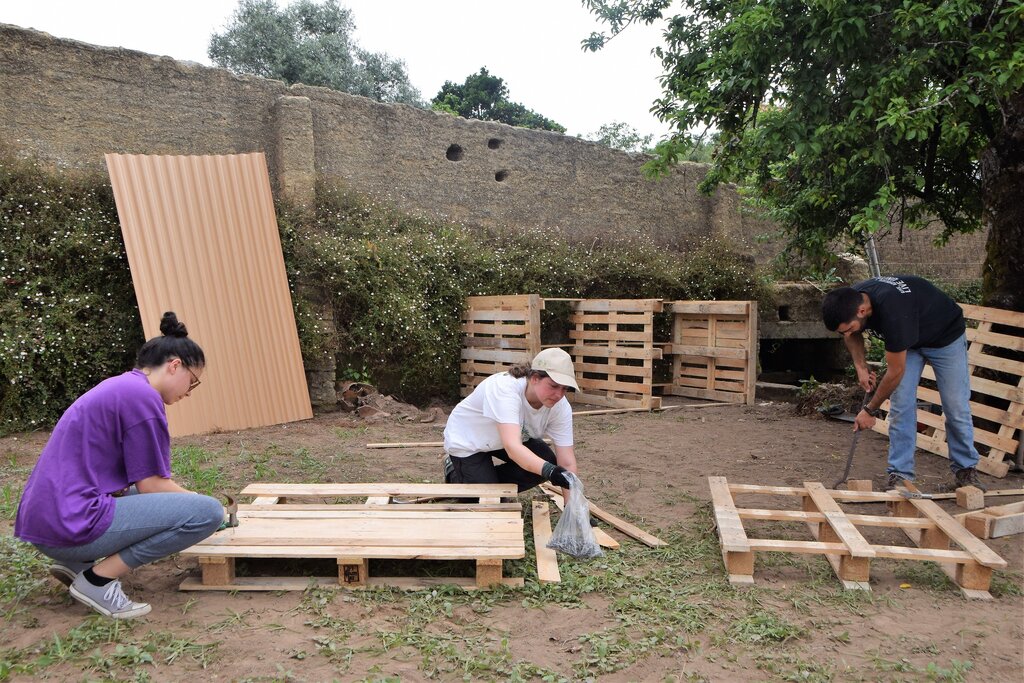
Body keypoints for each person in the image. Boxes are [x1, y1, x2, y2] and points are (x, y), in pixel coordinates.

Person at [14, 312, 225, 619]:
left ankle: (76, 566)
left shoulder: (123, 387)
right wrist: (199, 502)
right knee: (207, 512)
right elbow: (152, 485)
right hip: (69, 524)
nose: (189, 392)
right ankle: (97, 580)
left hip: (46, 521)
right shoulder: (144, 399)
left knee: (176, 503)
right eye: (192, 382)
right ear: (175, 365)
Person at [821, 275, 986, 491]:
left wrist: (870, 410)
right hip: (910, 341)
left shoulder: (894, 312)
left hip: (945, 337)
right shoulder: (852, 299)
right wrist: (861, 367)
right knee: (901, 406)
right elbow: (851, 335)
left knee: (955, 406)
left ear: (862, 311)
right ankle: (900, 475)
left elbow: (895, 371)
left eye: (849, 328)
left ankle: (966, 470)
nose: (848, 333)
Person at [443, 348, 580, 494]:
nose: (559, 394)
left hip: (507, 438)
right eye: (553, 386)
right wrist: (550, 471)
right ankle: (455, 472)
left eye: (565, 389)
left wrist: (572, 510)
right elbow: (513, 448)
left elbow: (567, 462)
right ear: (534, 378)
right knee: (482, 500)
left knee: (545, 461)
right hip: (470, 440)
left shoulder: (560, 406)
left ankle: (487, 483)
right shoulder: (505, 389)